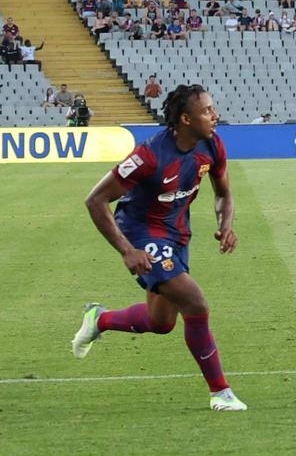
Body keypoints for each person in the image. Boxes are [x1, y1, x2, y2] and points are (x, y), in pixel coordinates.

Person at [71, 85, 246, 411]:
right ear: (185, 119)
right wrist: (127, 250)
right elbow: (95, 200)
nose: (215, 114)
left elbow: (223, 192)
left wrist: (226, 225)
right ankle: (220, 392)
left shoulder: (211, 145)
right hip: (141, 233)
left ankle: (99, 319)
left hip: (177, 235)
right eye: (207, 110)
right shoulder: (149, 155)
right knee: (195, 303)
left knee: (161, 322)